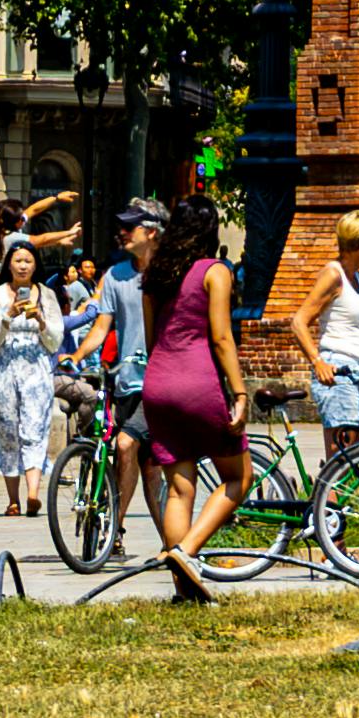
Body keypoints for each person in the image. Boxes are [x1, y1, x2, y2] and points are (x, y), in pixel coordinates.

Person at [130, 193, 244, 601]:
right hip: (198, 382)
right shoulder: (215, 271)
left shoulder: (154, 275)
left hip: (158, 384)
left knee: (180, 489)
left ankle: (184, 590)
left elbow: (151, 339)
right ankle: (186, 552)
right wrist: (239, 391)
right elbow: (221, 337)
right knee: (238, 478)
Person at [0, 229, 67, 523]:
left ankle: (33, 493)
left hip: (36, 372)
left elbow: (55, 341)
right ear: (9, 264)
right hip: (3, 372)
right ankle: (13, 499)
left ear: (35, 265)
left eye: (28, 261)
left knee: (34, 429)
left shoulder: (48, 295)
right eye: (18, 261)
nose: (23, 266)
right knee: (7, 432)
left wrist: (41, 320)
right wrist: (7, 316)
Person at [307, 207, 359, 449]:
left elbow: (353, 329)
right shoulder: (334, 275)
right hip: (338, 369)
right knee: (342, 453)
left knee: (351, 452)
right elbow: (298, 322)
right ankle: (329, 478)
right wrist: (318, 362)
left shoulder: (357, 278)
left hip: (358, 371)